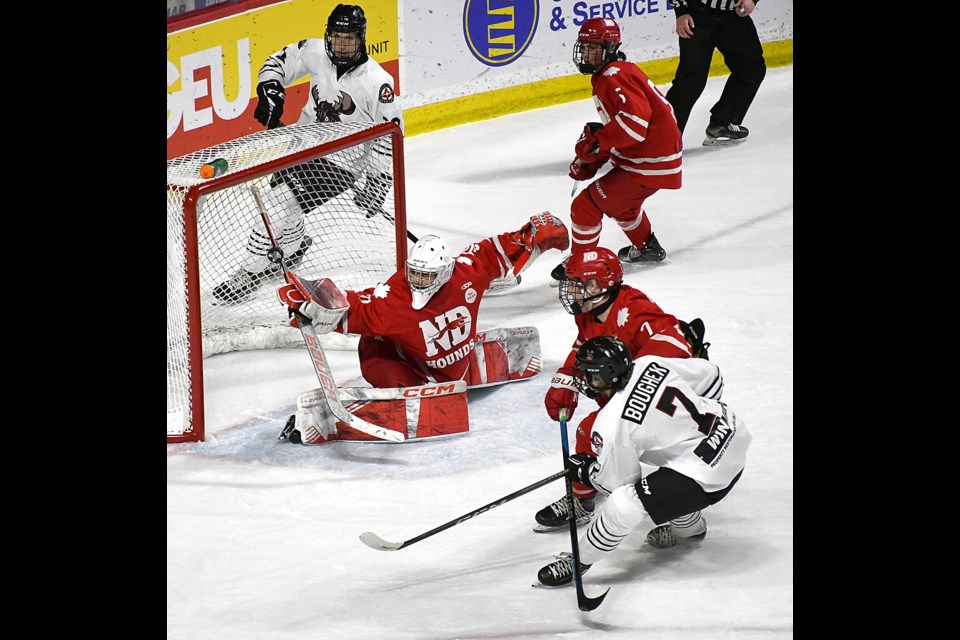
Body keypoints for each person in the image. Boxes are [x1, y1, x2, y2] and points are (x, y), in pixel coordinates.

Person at [213, 4, 404, 305]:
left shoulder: (378, 83)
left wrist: (378, 183)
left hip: (341, 163)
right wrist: (270, 87)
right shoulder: (316, 51)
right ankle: (294, 247)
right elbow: (277, 62)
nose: (342, 44)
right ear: (329, 36)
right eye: (337, 37)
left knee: (277, 203)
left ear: (361, 38)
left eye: (349, 38)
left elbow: (388, 137)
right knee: (285, 204)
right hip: (301, 145)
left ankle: (248, 272)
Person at [536, 335, 751, 586]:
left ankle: (578, 562)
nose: (584, 380)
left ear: (605, 376)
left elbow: (617, 483)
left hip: (709, 474)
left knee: (623, 504)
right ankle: (691, 530)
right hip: (733, 434)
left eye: (588, 374)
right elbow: (711, 375)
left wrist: (587, 472)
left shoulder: (611, 422)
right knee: (670, 470)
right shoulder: (648, 363)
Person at [278, 213, 569, 387]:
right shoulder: (396, 298)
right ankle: (416, 388)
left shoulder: (465, 274)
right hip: (427, 371)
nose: (417, 281)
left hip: (444, 370)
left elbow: (494, 251)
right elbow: (353, 308)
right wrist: (314, 305)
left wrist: (528, 235)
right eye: (414, 273)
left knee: (375, 342)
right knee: (373, 340)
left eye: (426, 276)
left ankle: (422, 387)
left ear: (443, 273)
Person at [535, 247, 708, 533]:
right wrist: (568, 376)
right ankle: (587, 497)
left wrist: (627, 386)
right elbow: (584, 344)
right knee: (595, 436)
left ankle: (681, 514)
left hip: (664, 403)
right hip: (628, 395)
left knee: (594, 433)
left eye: (577, 285)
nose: (571, 293)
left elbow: (678, 346)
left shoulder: (635, 311)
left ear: (597, 285)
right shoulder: (591, 310)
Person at [551, 16, 682, 283]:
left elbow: (634, 127)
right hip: (651, 157)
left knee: (585, 207)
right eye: (584, 47)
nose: (587, 54)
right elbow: (624, 128)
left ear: (609, 47)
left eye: (593, 48)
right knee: (624, 207)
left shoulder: (614, 76)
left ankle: (582, 265)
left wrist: (597, 144)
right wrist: (596, 157)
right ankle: (647, 248)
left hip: (650, 161)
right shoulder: (612, 72)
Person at [665, 1, 766, 146]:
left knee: (751, 69)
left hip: (735, 15)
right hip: (698, 14)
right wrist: (681, 11)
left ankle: (722, 123)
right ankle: (663, 138)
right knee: (690, 80)